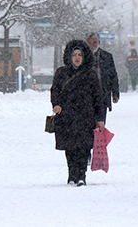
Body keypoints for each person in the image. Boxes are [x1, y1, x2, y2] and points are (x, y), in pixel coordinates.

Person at [51, 39, 105, 186]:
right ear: (69, 56)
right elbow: (55, 90)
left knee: (83, 147)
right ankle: (71, 174)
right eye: (74, 54)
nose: (77, 58)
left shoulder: (91, 74)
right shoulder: (61, 73)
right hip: (66, 116)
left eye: (80, 55)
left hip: (86, 117)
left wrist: (100, 119)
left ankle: (81, 175)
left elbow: (98, 98)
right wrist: (56, 104)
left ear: (84, 56)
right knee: (70, 148)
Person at [86, 32, 120, 122]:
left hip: (102, 95)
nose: (92, 45)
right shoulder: (81, 57)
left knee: (100, 123)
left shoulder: (107, 57)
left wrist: (115, 93)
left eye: (94, 42)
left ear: (99, 42)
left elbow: (113, 75)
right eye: (89, 42)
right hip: (86, 97)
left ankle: (99, 135)